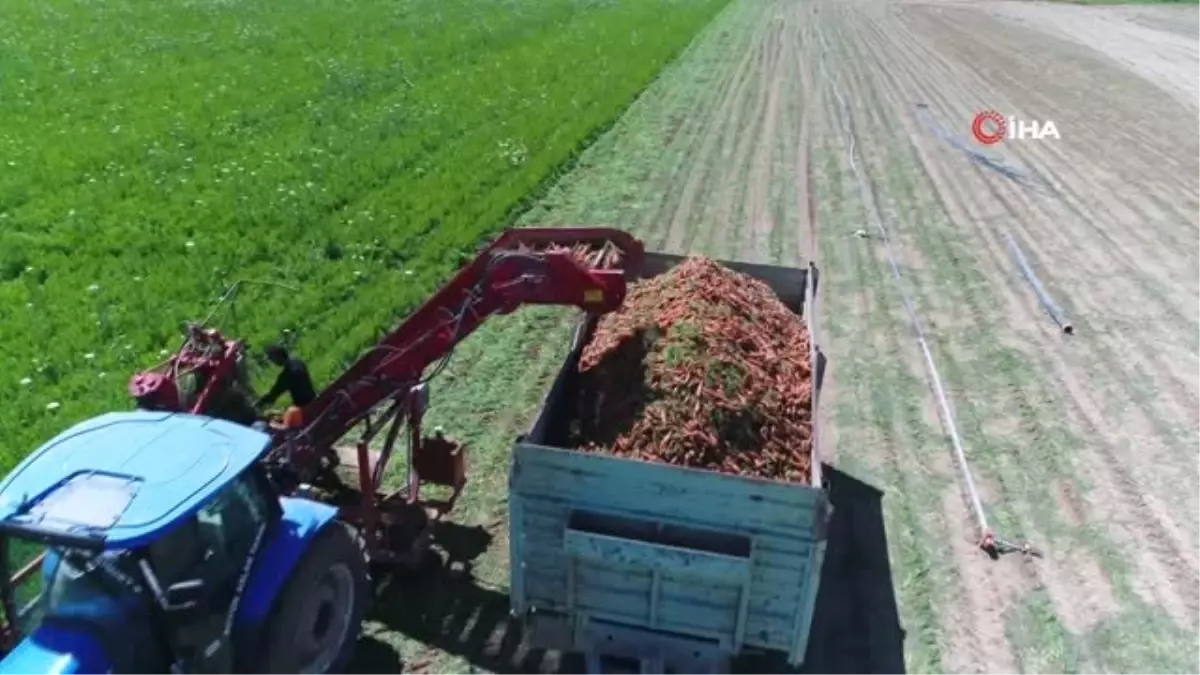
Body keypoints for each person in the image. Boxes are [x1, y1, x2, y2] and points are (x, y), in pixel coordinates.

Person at [256, 344, 316, 409]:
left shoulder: (286, 375)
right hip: (314, 400)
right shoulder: (298, 362)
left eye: (272, 359)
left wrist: (258, 404)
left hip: (304, 408)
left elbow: (273, 395)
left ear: (279, 356)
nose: (273, 362)